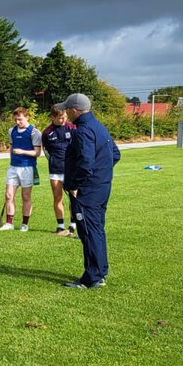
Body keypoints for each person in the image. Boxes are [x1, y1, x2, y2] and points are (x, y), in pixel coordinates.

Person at [58, 93, 121, 289]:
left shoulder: (83, 130)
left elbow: (85, 163)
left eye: (68, 109)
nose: (66, 112)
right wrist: (101, 175)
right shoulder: (100, 128)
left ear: (74, 110)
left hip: (88, 190)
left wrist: (76, 185)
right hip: (101, 187)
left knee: (89, 232)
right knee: (96, 230)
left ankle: (92, 277)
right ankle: (99, 272)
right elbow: (115, 155)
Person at [0, 107, 42, 232]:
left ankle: (24, 224)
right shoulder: (12, 131)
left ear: (27, 117)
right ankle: (9, 223)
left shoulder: (34, 132)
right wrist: (12, 162)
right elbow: (11, 148)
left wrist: (22, 152)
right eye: (15, 119)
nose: (17, 122)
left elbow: (37, 152)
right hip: (13, 167)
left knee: (26, 196)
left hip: (27, 167)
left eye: (20, 119)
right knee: (9, 195)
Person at [42, 108, 78, 236]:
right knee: (58, 198)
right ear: (53, 117)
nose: (64, 120)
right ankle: (60, 227)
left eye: (65, 117)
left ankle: (73, 225)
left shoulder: (72, 128)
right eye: (60, 118)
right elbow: (46, 152)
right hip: (56, 170)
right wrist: (53, 161)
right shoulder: (47, 132)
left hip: (71, 169)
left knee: (74, 197)